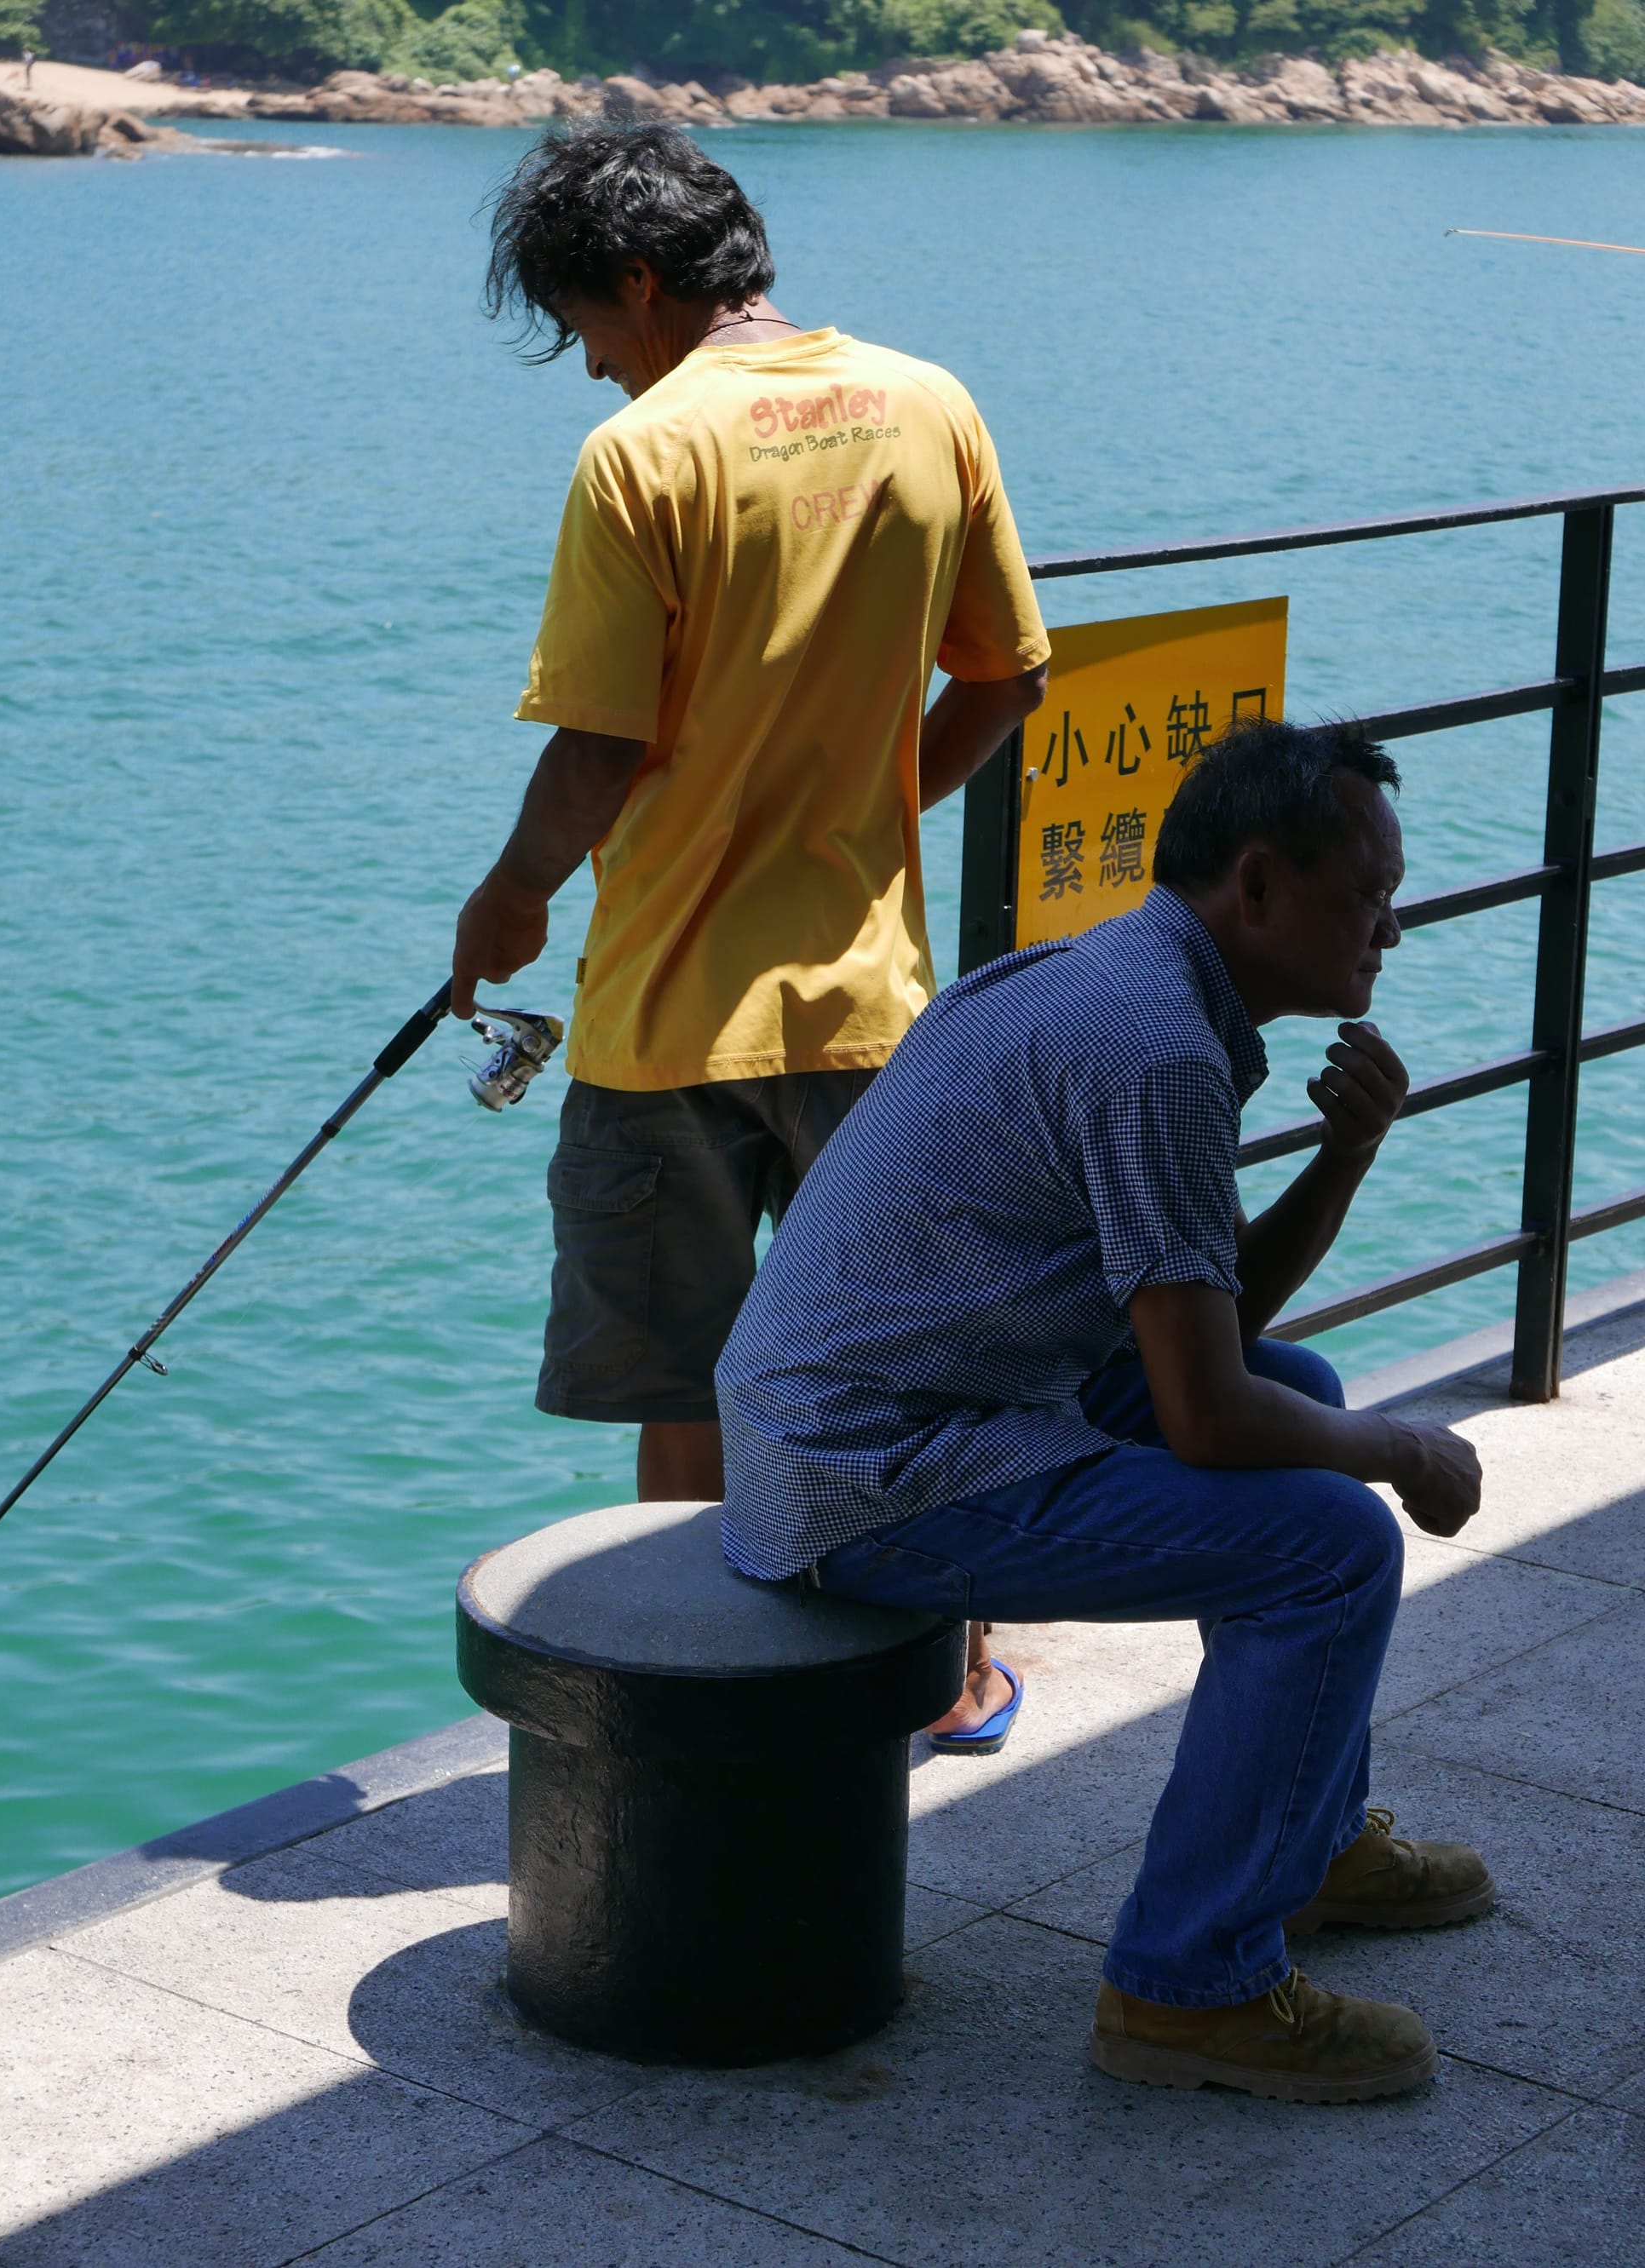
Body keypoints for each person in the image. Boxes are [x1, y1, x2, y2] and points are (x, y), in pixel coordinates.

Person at [716, 716, 1495, 2104]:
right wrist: (1404, 1452)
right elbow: (1205, 1419)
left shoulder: (1124, 981)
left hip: (896, 1401)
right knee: (1332, 1545)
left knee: (1300, 1394)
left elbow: (1220, 1337)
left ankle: (1305, 1850)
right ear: (1255, 888)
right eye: (1368, 897)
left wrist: (1348, 1151)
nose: (1393, 926)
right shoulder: (1152, 1050)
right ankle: (1188, 1990)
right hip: (864, 1469)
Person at [449, 122, 1050, 1746]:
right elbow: (1009, 677)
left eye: (588, 329)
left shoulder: (644, 456)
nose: (593, 370)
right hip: (876, 1007)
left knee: (684, 1387)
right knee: (904, 1367)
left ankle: (711, 1706)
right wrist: (874, 813)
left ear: (642, 286)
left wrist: (508, 901)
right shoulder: (931, 403)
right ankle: (956, 1668)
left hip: (666, 1020)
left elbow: (596, 744)